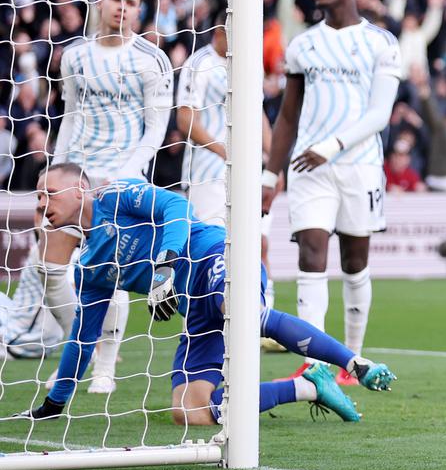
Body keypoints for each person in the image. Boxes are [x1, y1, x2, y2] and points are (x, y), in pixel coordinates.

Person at [17, 165, 395, 425]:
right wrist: (55, 403)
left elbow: (178, 206)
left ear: (79, 188)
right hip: (194, 307)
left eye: (48, 193)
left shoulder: (115, 195)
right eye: (37, 198)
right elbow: (83, 339)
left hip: (215, 254)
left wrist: (165, 266)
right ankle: (309, 387)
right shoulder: (90, 268)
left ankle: (354, 363)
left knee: (240, 310)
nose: (41, 205)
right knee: (189, 412)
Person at [262, 0, 402, 386]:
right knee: (310, 256)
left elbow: (380, 113)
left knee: (355, 262)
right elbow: (287, 116)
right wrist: (270, 176)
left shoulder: (382, 42)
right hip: (310, 167)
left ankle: (353, 359)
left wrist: (334, 146)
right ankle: (316, 363)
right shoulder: (304, 44)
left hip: (359, 167)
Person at [44, 0, 172, 396]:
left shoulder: (151, 59)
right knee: (50, 268)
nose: (123, 7)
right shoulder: (75, 57)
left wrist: (124, 174)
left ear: (139, 10)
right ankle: (82, 348)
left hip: (120, 180)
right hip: (75, 175)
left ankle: (105, 367)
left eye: (132, 3)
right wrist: (57, 170)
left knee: (110, 272)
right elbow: (71, 117)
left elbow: (156, 130)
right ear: (100, 4)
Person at [177, 9, 283, 349]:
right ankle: (200, 327)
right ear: (222, 29)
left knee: (259, 244)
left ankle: (262, 321)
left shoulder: (247, 64)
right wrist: (225, 152)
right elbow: (185, 120)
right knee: (209, 248)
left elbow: (261, 119)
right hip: (207, 174)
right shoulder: (199, 64)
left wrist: (273, 165)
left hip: (249, 172)